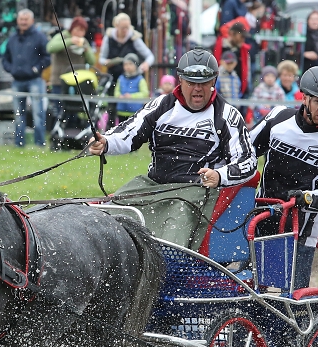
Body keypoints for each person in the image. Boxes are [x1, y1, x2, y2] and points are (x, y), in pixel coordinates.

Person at [88, 48, 257, 250]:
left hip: (195, 192)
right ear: (180, 80)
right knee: (107, 219)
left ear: (213, 81)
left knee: (171, 231)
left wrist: (219, 176)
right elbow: (129, 132)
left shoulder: (227, 115)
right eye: (191, 82)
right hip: (151, 184)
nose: (197, 89)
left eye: (203, 83)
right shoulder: (162, 105)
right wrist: (106, 142)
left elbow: (248, 162)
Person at [249, 67, 318, 289]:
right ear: (304, 97)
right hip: (262, 216)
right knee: (255, 290)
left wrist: (306, 198)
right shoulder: (278, 118)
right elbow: (245, 150)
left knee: (291, 301)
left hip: (302, 230)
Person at [2, 9, 50, 147]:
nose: (23, 22)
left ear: (32, 21)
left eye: (26, 19)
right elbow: (5, 58)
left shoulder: (40, 37)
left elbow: (47, 58)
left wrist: (36, 69)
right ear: (17, 21)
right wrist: (11, 69)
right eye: (21, 19)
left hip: (35, 80)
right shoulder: (12, 38)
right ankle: (19, 143)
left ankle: (40, 143)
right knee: (18, 115)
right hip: (17, 80)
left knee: (38, 113)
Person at [98, 12, 154, 125]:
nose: (125, 30)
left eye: (127, 27)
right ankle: (110, 132)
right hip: (114, 76)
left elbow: (150, 56)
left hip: (131, 78)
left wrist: (145, 64)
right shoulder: (108, 38)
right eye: (123, 27)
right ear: (116, 26)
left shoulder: (134, 38)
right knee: (112, 106)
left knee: (132, 107)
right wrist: (107, 62)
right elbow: (101, 59)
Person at [46, 16, 95, 118]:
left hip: (77, 82)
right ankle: (59, 131)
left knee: (75, 110)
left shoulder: (84, 41)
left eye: (82, 31)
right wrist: (70, 41)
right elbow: (50, 48)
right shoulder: (62, 36)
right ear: (72, 28)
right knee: (60, 110)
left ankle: (74, 131)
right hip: (59, 81)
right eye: (77, 30)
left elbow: (92, 61)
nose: (79, 33)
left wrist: (86, 50)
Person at [213, 21, 251, 97]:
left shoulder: (243, 51)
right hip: (220, 92)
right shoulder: (218, 47)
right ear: (232, 33)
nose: (243, 40)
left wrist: (244, 91)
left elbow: (247, 73)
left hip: (238, 93)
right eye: (241, 36)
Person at [114, 53, 147, 120]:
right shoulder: (121, 78)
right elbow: (116, 91)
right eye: (125, 64)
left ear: (136, 65)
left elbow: (144, 94)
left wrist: (131, 96)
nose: (127, 66)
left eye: (130, 64)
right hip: (121, 112)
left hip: (135, 112)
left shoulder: (140, 79)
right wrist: (119, 96)